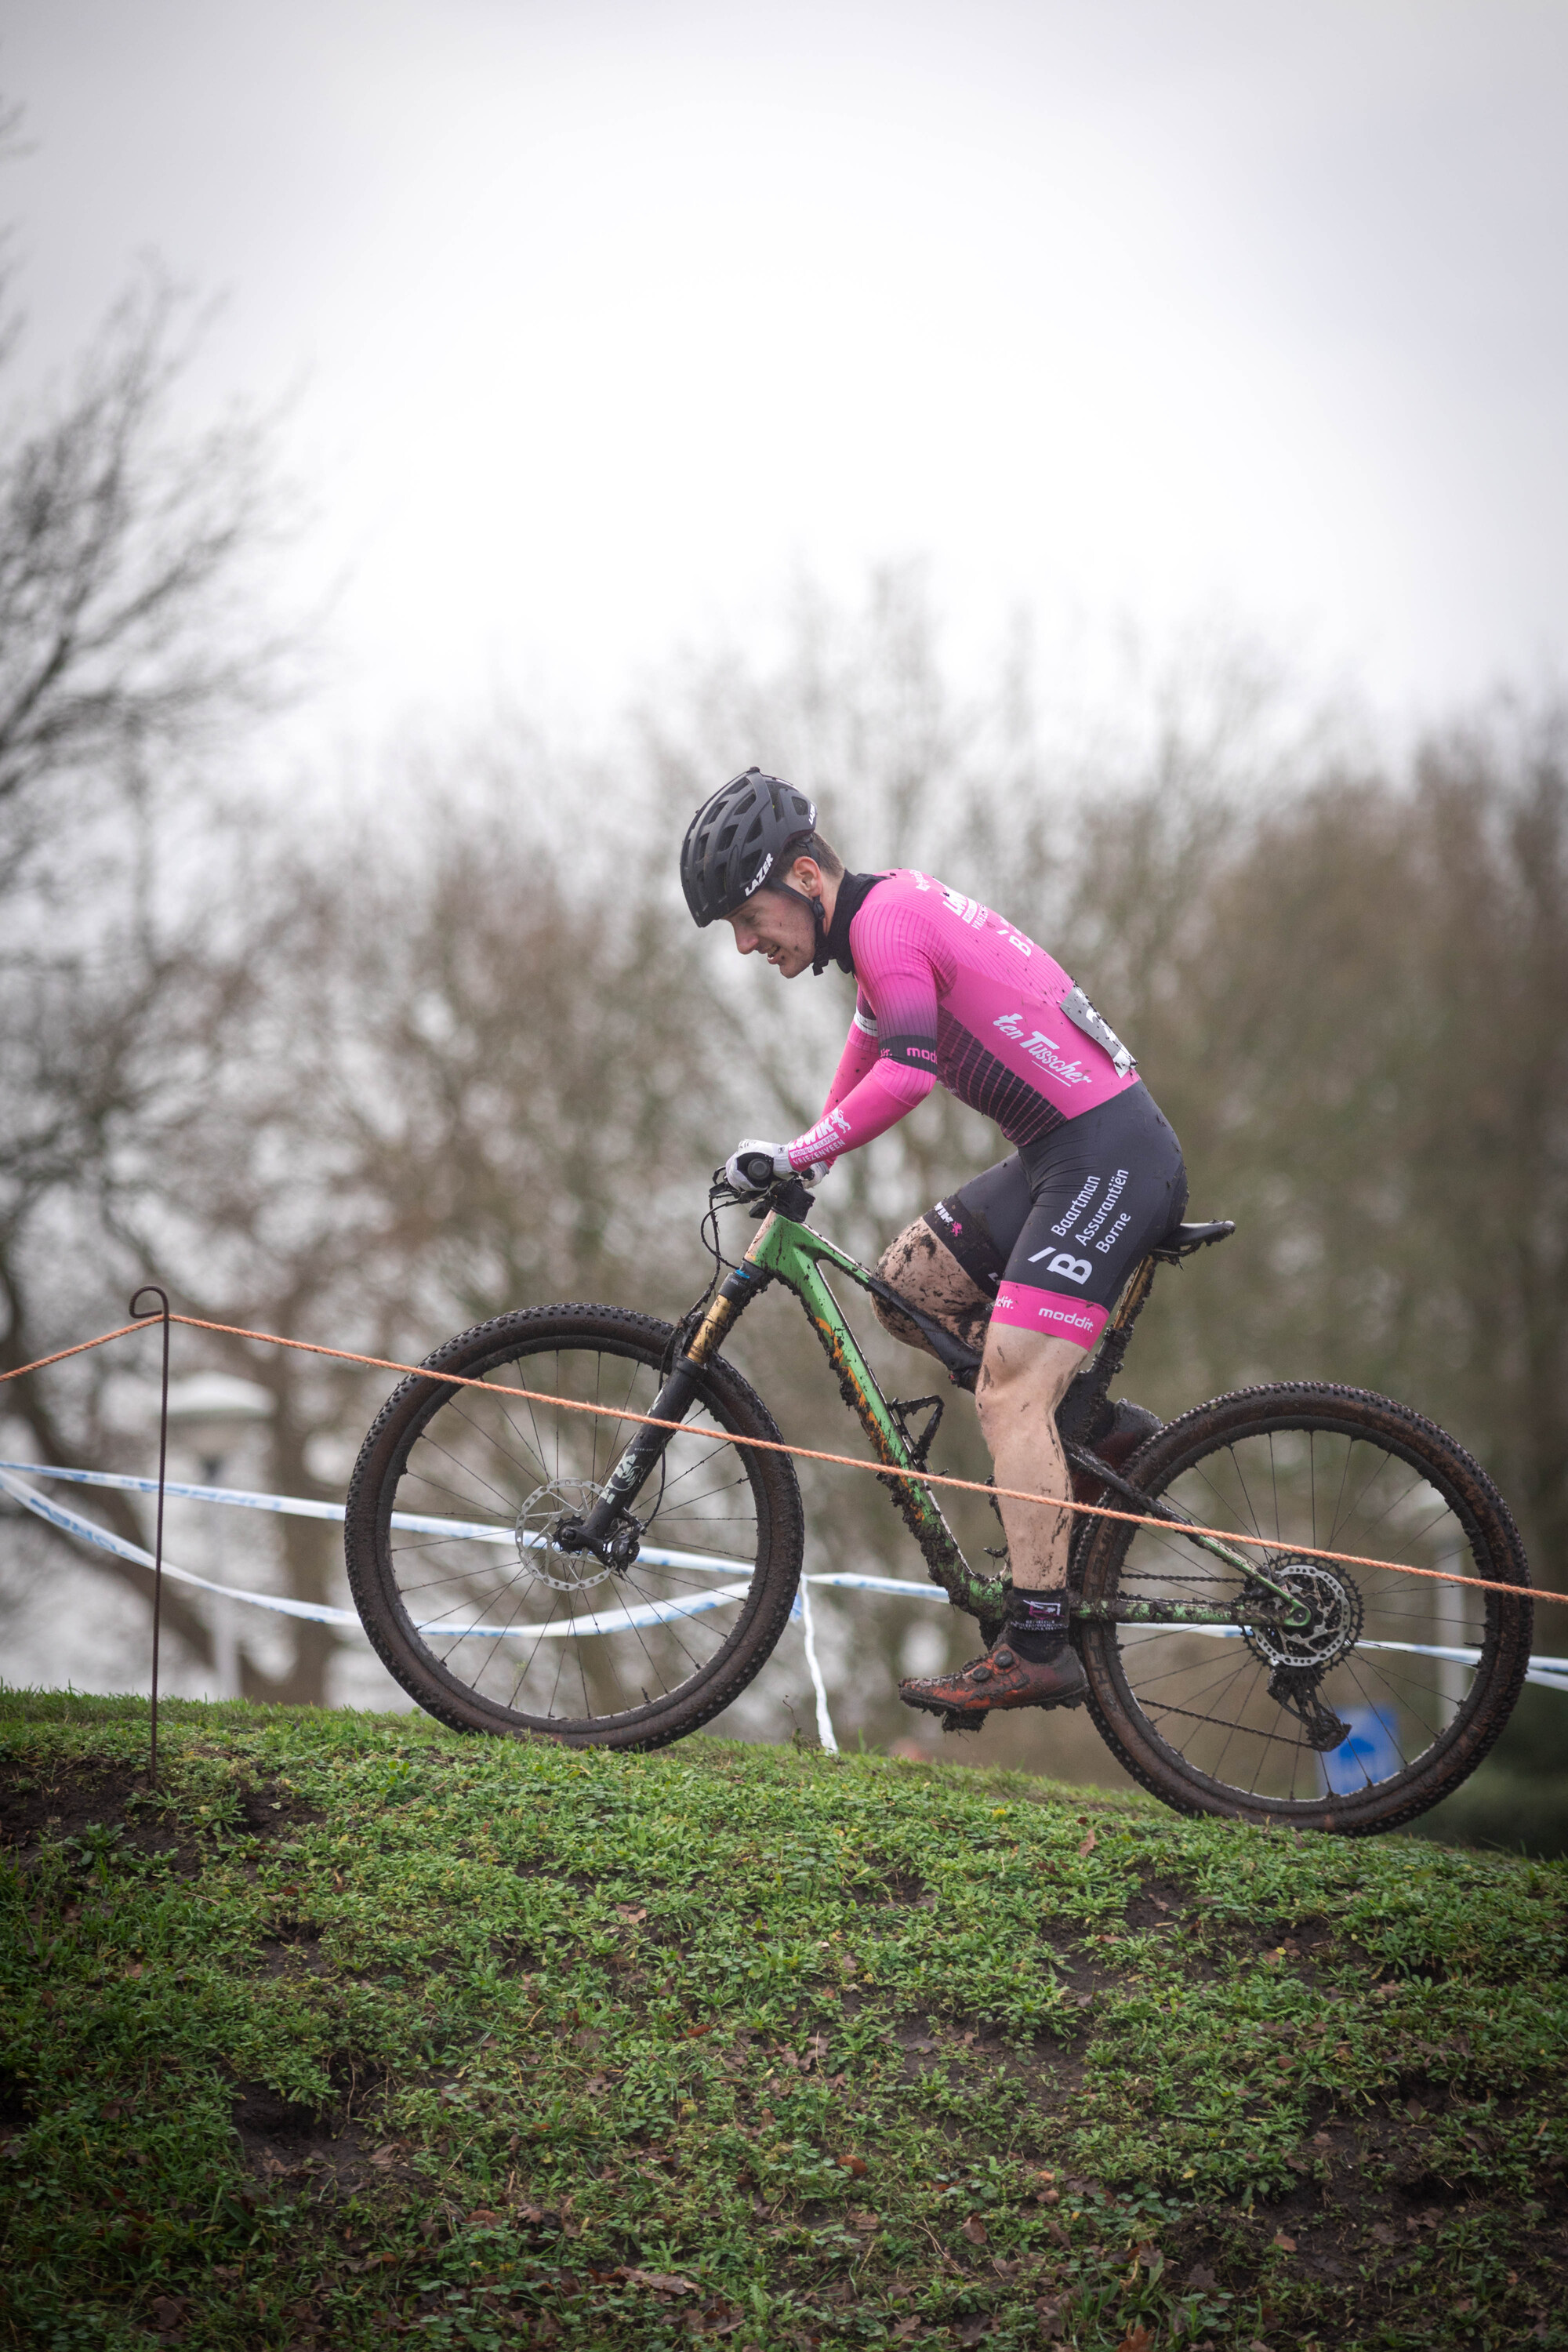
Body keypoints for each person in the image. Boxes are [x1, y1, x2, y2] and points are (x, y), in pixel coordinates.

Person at [681, 767, 1186, 1726]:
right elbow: (869, 1047)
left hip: (1108, 1159)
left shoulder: (886, 925)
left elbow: (906, 1076)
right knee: (907, 1286)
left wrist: (796, 1150)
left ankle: (1036, 1643)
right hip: (1060, 1155)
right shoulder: (880, 932)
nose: (747, 944)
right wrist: (812, 1162)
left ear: (804, 877)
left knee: (1006, 1391)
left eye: (749, 918)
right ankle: (1094, 1432)